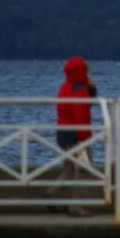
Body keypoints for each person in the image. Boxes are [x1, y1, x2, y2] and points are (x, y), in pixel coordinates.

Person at [45, 56, 97, 217]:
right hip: (76, 135)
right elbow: (81, 114)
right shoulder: (79, 89)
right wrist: (84, 138)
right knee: (82, 170)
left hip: (63, 133)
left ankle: (51, 194)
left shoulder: (64, 87)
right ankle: (76, 206)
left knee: (69, 168)